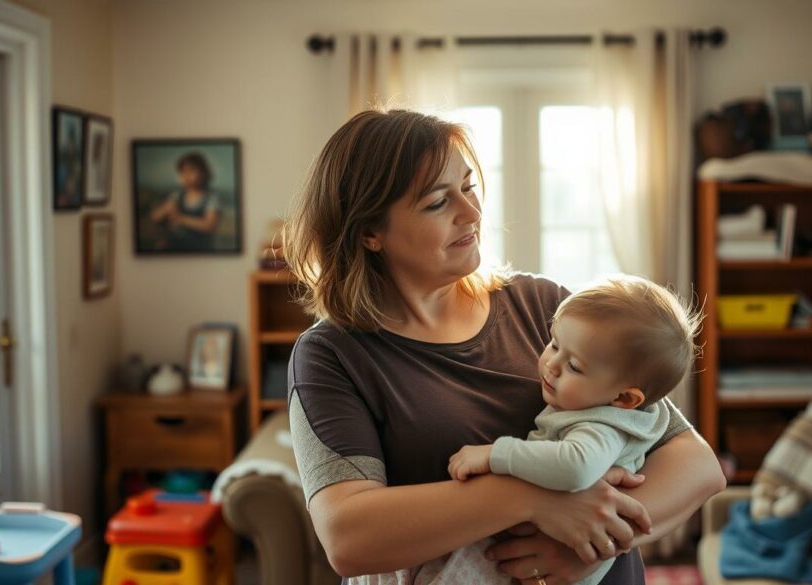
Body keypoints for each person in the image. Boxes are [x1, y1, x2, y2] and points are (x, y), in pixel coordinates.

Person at [283, 108, 726, 585]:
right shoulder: (332, 356)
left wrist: (590, 547)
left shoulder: (545, 306)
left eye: (469, 187)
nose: (471, 213)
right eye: (437, 202)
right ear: (369, 232)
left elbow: (695, 463)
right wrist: (531, 497)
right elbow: (348, 538)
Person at [354, 275, 700, 585]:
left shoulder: (602, 424)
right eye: (553, 344)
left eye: (575, 366)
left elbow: (574, 466)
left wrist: (494, 455)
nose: (551, 364)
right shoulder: (603, 396)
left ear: (625, 397)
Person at [149, 152, 220, 251]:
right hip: (175, 244)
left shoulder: (211, 197)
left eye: (191, 171)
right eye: (182, 172)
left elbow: (209, 225)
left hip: (199, 248)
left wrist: (181, 219)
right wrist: (166, 209)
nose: (186, 176)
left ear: (204, 173)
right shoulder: (177, 195)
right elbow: (155, 217)